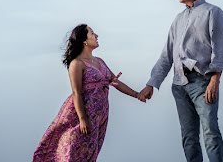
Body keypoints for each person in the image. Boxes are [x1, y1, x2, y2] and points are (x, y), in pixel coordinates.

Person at [138, 0, 223, 162]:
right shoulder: (177, 20)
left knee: (210, 133)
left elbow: (220, 49)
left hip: (203, 83)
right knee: (188, 137)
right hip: (179, 84)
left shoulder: (213, 12)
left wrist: (214, 80)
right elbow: (167, 55)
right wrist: (151, 84)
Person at [33, 24, 145, 162]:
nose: (96, 35)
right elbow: (76, 93)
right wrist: (82, 118)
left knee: (90, 152)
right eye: (92, 33)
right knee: (73, 151)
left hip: (100, 115)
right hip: (82, 115)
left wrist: (137, 94)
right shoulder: (77, 63)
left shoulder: (100, 61)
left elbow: (116, 82)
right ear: (84, 41)